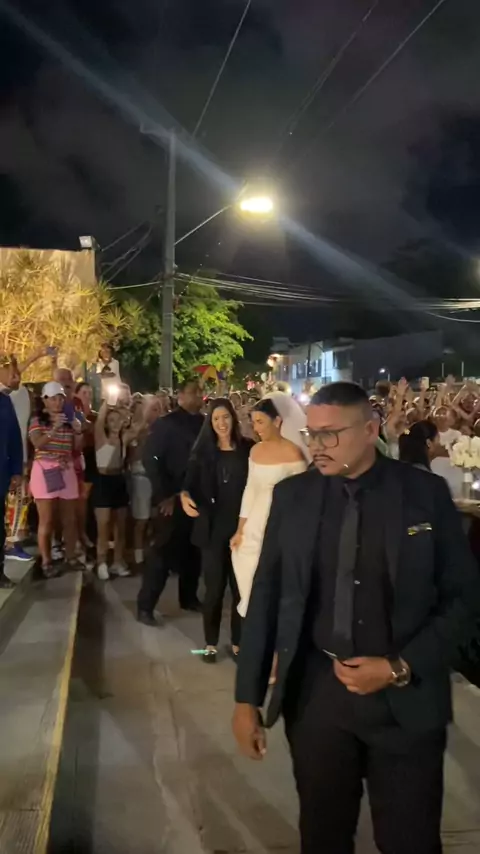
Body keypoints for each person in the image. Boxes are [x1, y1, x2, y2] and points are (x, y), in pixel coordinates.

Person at [233, 381, 480, 854]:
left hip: (406, 702)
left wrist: (398, 667)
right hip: (317, 698)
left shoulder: (423, 494)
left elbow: (465, 598)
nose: (317, 446)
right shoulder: (294, 496)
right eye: (312, 434)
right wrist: (247, 699)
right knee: (322, 834)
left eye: (331, 434)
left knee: (410, 840)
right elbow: (266, 596)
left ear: (370, 430)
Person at [181, 399, 254, 662]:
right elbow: (187, 485)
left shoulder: (248, 449)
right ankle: (210, 643)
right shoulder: (202, 453)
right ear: (210, 423)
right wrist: (184, 497)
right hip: (212, 531)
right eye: (216, 419)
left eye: (226, 417)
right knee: (213, 590)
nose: (221, 423)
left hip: (242, 529)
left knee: (240, 589)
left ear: (233, 418)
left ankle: (238, 642)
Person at [231, 394, 308, 618]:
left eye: (260, 422)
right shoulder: (255, 451)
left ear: (277, 421)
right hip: (255, 518)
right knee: (246, 561)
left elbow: (302, 495)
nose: (256, 428)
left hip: (281, 519)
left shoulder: (293, 453)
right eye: (253, 422)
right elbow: (250, 490)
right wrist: (240, 528)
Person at [138, 379, 204, 625]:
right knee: (161, 555)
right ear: (181, 396)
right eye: (193, 392)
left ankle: (189, 597)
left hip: (198, 497)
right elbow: (151, 459)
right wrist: (164, 495)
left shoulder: (204, 423)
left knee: (193, 552)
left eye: (200, 391)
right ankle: (146, 606)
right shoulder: (166, 424)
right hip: (171, 498)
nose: (199, 395)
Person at [28, 382, 83, 578]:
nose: (58, 402)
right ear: (45, 401)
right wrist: (53, 429)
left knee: (70, 518)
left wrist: (78, 430)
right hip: (45, 469)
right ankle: (46, 561)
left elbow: (77, 447)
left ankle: (71, 557)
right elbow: (37, 443)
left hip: (65, 468)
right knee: (47, 519)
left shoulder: (67, 420)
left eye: (60, 398)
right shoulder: (37, 420)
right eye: (53, 399)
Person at [92, 401, 130, 581]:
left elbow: (141, 424)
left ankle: (118, 561)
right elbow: (99, 420)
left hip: (119, 480)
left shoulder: (124, 438)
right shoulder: (101, 437)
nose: (115, 423)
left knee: (120, 527)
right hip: (103, 481)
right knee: (104, 525)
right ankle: (101, 562)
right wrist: (108, 401)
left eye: (118, 420)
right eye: (112, 420)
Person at [126, 395, 163, 566]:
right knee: (141, 520)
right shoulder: (137, 430)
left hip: (158, 478)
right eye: (153, 409)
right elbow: (132, 456)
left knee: (158, 518)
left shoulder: (163, 430)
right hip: (141, 477)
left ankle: (158, 553)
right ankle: (138, 555)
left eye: (159, 409)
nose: (157, 413)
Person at [0, 355, 24, 587]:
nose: (15, 376)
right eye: (11, 371)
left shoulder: (6, 401)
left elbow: (15, 438)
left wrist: (16, 469)